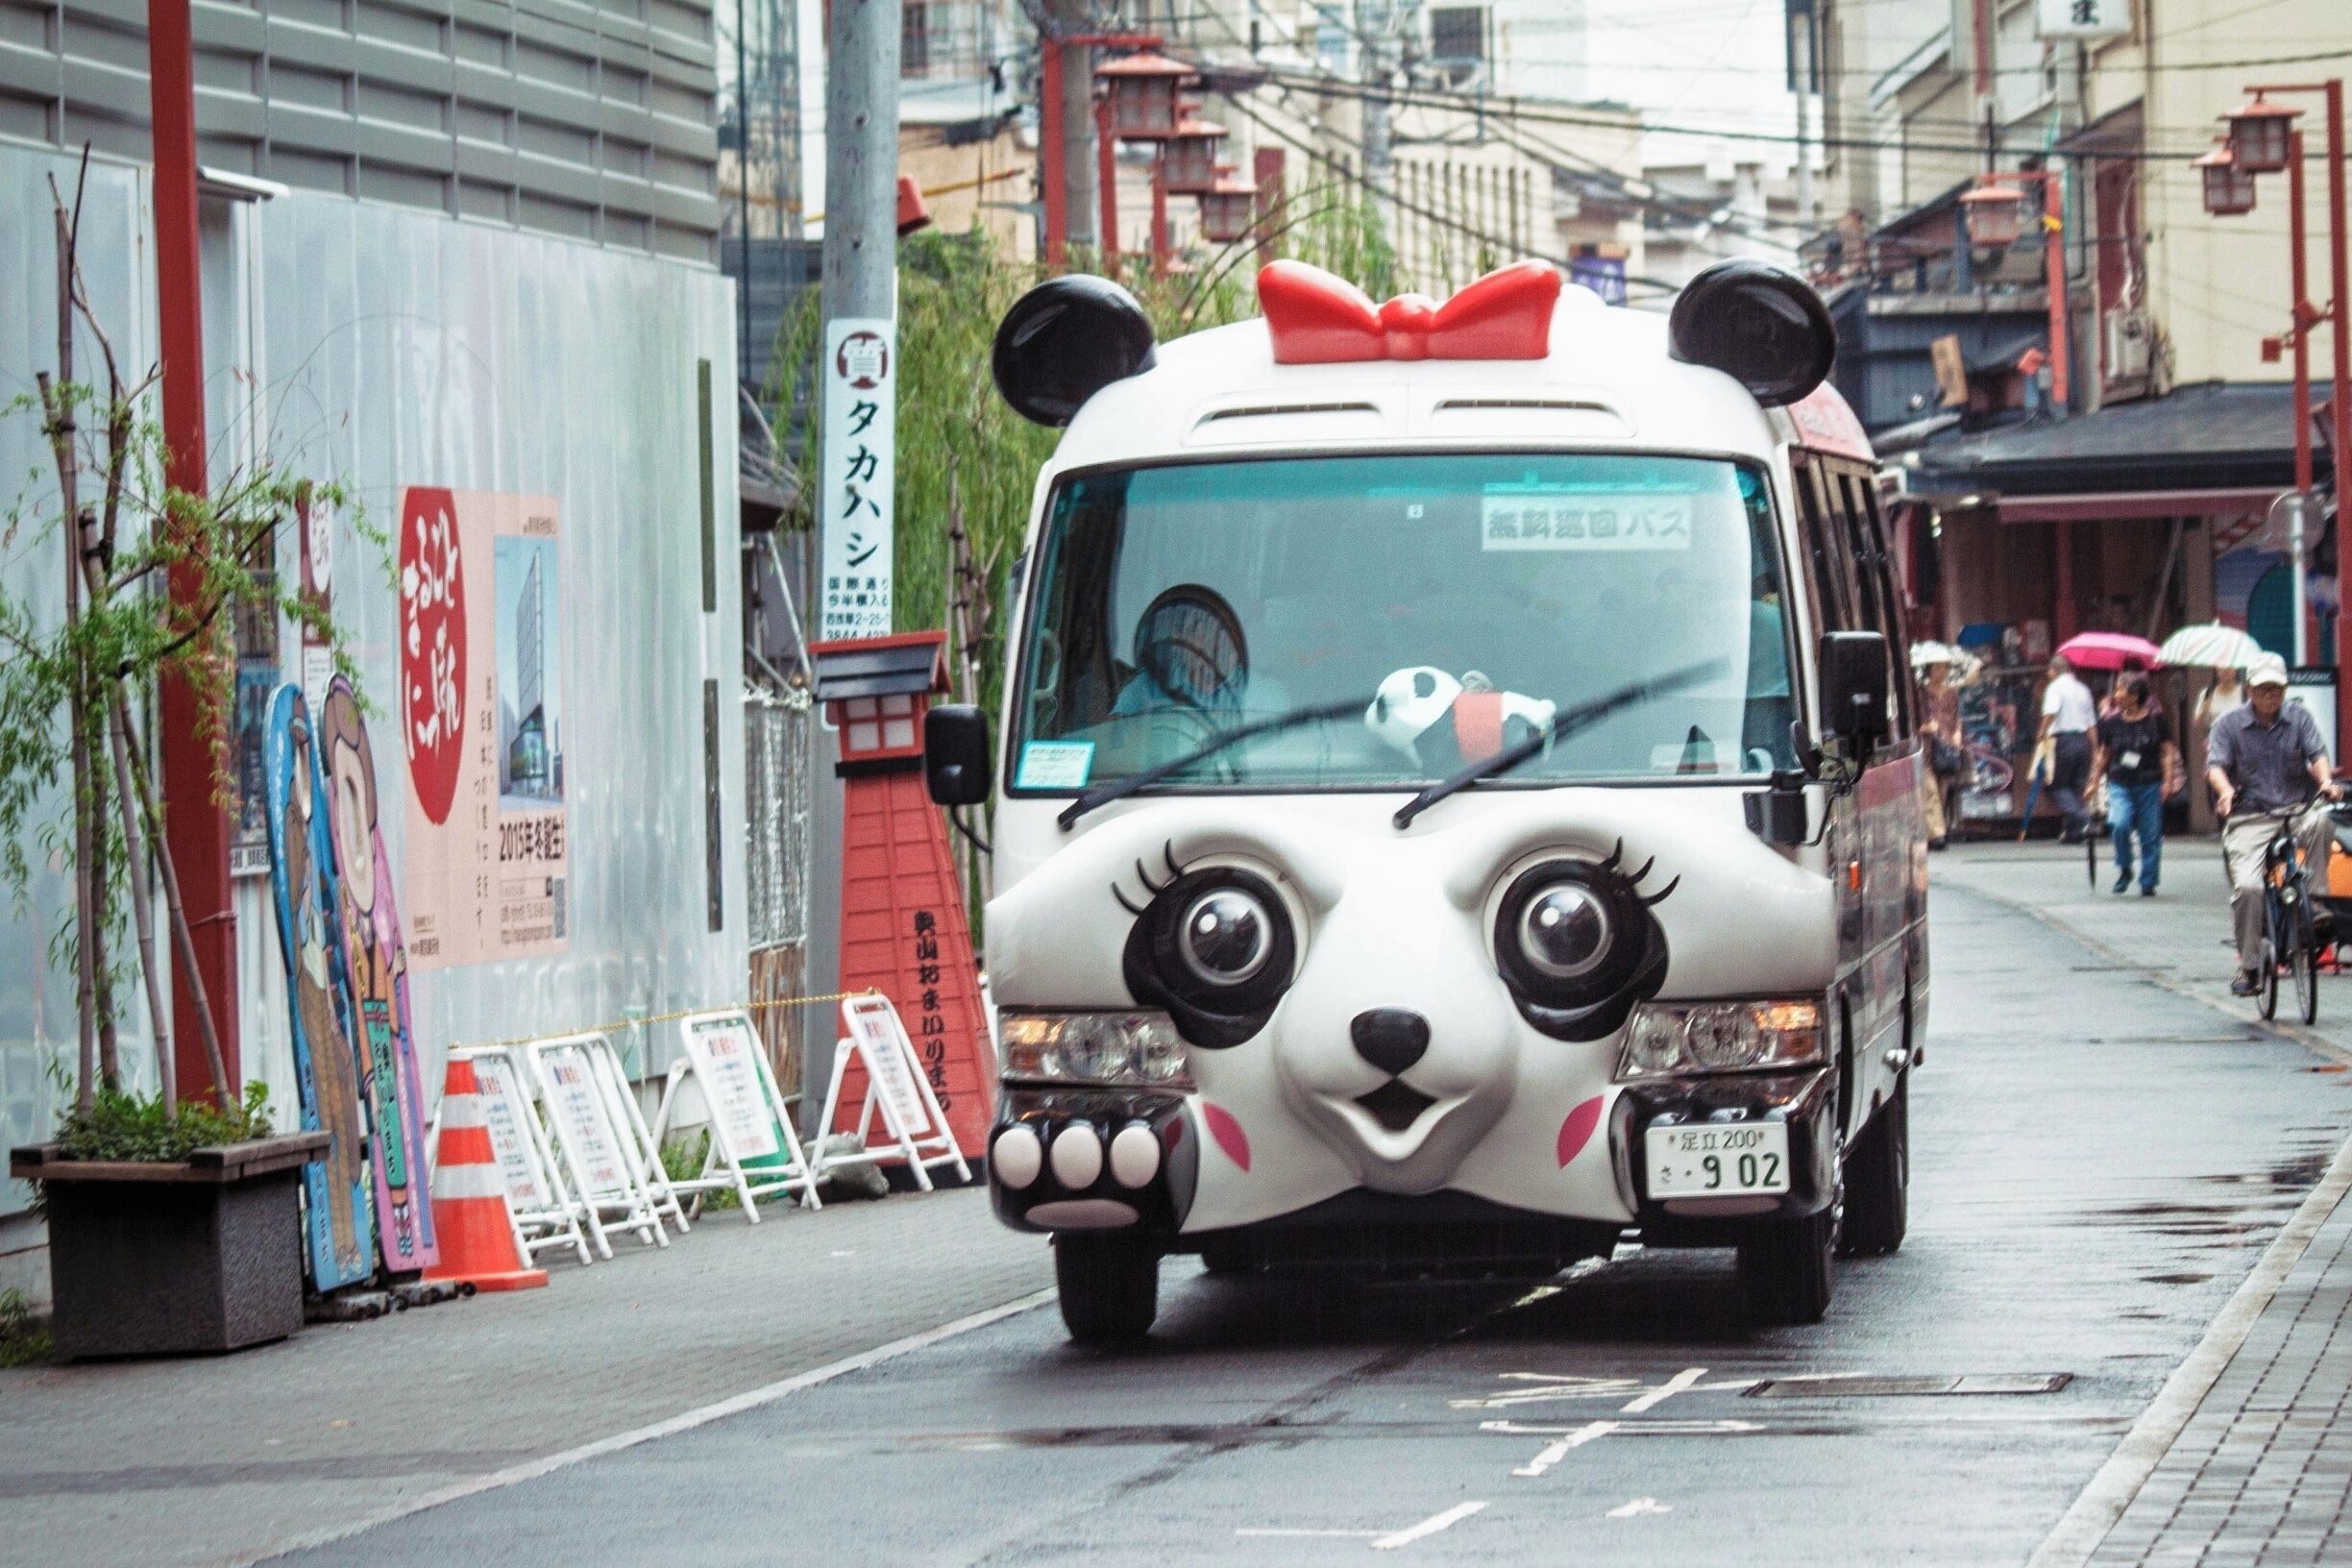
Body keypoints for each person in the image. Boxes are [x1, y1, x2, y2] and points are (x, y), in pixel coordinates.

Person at [2209, 654, 2340, 995]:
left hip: (2296, 809)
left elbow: (2317, 755)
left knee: (2322, 822)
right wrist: (2224, 792)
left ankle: (2313, 902)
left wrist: (2324, 782)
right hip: (2250, 817)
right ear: (2249, 689)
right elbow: (2215, 767)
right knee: (2249, 889)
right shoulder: (2229, 724)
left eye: (2276, 689)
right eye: (2263, 689)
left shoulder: (2298, 717)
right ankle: (2250, 967)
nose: (2270, 695)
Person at [2090, 674, 2182, 896]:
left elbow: (2167, 752)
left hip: (2150, 783)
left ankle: (2148, 881)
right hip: (2120, 783)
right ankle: (2125, 867)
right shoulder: (2111, 723)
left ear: (2135, 696)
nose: (2116, 695)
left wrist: (2168, 781)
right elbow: (2104, 755)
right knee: (2119, 824)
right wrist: (2093, 782)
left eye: (2121, 690)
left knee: (2150, 835)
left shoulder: (2155, 720)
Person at [2038, 653, 2098, 843]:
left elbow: (2051, 711)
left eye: (2049, 671)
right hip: (2082, 741)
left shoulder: (2055, 687)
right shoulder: (2083, 689)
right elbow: (2090, 722)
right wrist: (2095, 747)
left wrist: (2042, 732)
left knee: (2055, 786)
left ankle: (2082, 818)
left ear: (2053, 670)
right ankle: (2073, 833)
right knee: (2075, 787)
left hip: (2063, 741)